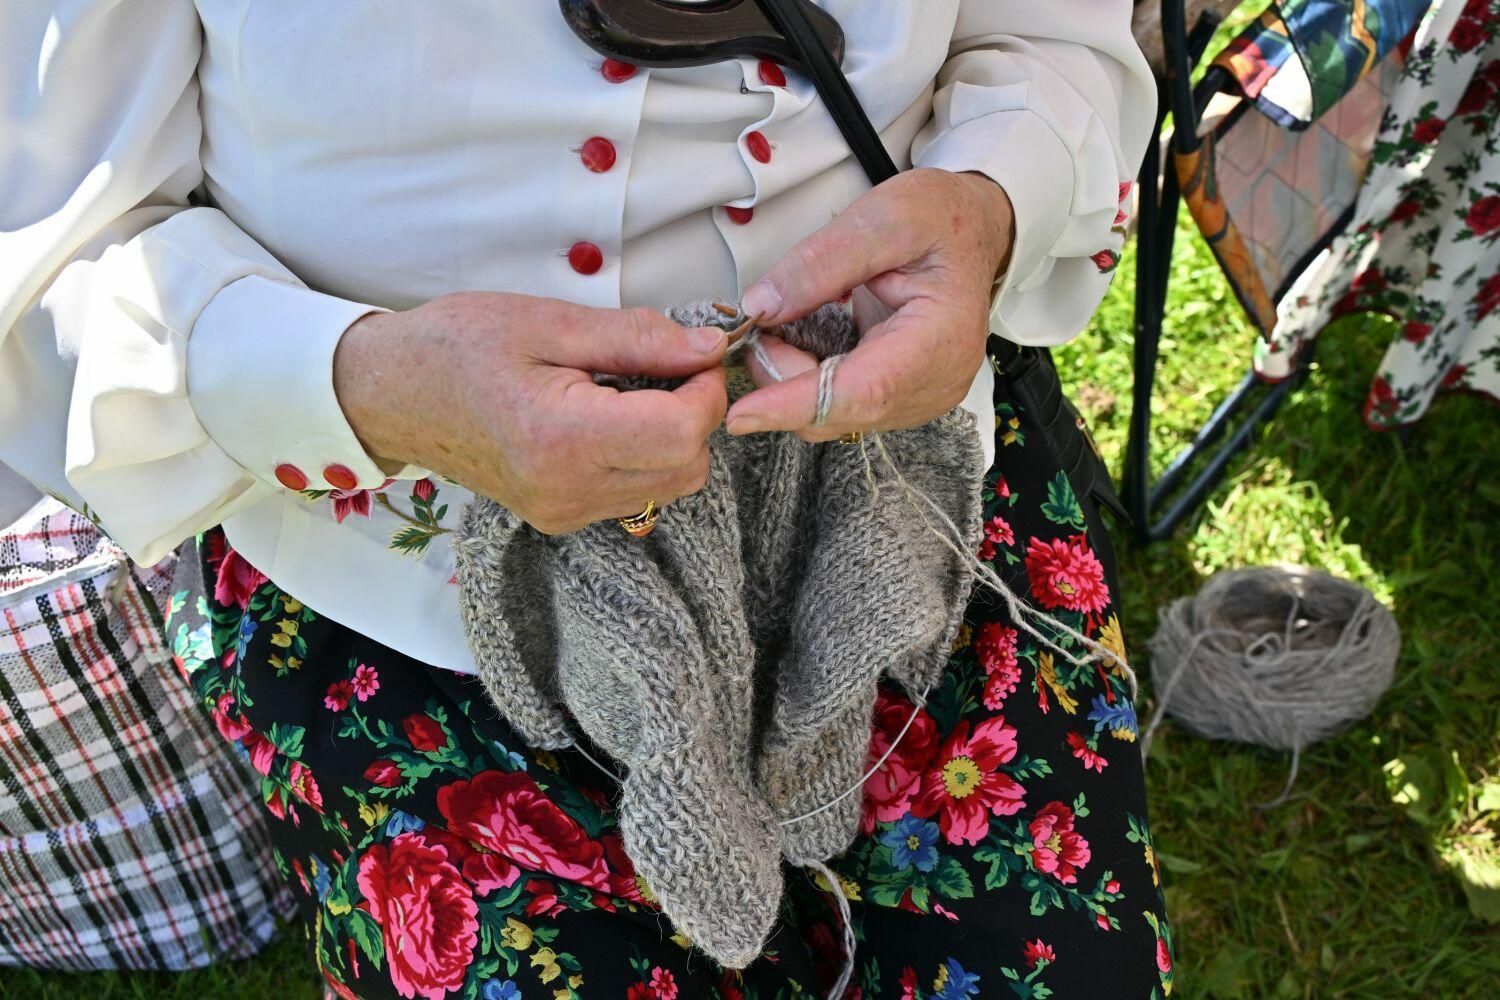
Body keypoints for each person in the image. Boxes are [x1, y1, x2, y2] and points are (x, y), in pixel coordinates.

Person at [0, 2, 1171, 997]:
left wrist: (988, 204)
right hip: (410, 600)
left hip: (894, 501)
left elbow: (1052, 38)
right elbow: (45, 259)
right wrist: (365, 386)